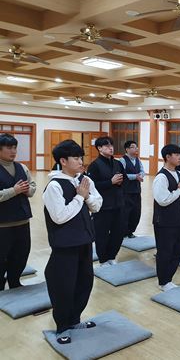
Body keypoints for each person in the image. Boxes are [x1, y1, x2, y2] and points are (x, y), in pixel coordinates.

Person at [43, 140, 102, 344]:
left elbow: (97, 205)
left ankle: (75, 319)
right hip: (64, 245)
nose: (80, 162)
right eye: (76, 158)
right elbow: (60, 216)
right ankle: (61, 327)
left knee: (84, 283)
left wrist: (86, 197)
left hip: (85, 241)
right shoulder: (54, 185)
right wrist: (80, 198)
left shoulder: (83, 180)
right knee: (63, 286)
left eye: (81, 157)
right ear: (63, 161)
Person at [0, 133, 36, 291]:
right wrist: (14, 190)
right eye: (9, 147)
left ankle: (14, 281)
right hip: (3, 224)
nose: (13, 151)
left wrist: (27, 190)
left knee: (21, 254)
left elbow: (33, 186)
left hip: (22, 220)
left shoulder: (22, 167)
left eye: (15, 147)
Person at [152, 144, 180, 291]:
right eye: (177, 155)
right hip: (165, 222)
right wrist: (179, 190)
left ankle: (169, 279)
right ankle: (163, 281)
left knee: (177, 250)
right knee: (165, 251)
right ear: (168, 157)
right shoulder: (161, 177)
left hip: (179, 219)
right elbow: (163, 200)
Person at [86, 136, 127, 266]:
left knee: (118, 232)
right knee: (101, 234)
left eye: (111, 145)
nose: (111, 148)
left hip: (118, 204)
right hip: (102, 206)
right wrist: (111, 182)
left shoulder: (118, 163)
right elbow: (93, 186)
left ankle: (111, 256)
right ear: (99, 148)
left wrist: (119, 182)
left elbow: (124, 179)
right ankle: (103, 259)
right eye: (107, 146)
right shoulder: (94, 165)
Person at [119, 140, 144, 238]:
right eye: (133, 147)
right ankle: (123, 232)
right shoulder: (123, 160)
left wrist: (140, 175)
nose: (136, 149)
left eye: (136, 147)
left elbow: (142, 171)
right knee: (126, 212)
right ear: (127, 149)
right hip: (126, 191)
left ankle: (130, 231)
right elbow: (122, 175)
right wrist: (135, 176)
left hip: (137, 191)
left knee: (136, 212)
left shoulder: (138, 159)